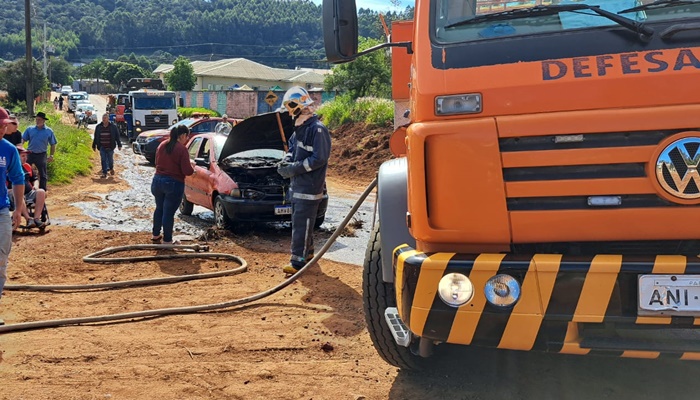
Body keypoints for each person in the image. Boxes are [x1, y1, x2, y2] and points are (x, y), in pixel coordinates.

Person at [276, 86, 331, 275]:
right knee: (300, 221)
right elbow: (292, 150)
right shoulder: (300, 128)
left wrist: (294, 168)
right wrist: (286, 162)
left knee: (302, 224)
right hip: (298, 186)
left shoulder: (317, 130)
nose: (290, 112)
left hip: (310, 187)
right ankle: (307, 254)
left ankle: (297, 261)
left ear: (301, 105)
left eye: (291, 106)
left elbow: (319, 159)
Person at [0, 107, 25, 325]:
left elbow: (18, 178)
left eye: (4, 125)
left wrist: (18, 209)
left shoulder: (8, 150)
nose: (2, 128)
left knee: (1, 260)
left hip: (1, 211)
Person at [150, 125, 195, 245]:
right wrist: (193, 166)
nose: (187, 139)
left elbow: (156, 162)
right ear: (182, 135)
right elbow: (187, 171)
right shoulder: (182, 149)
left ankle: (155, 234)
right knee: (168, 212)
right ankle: (167, 240)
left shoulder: (162, 145)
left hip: (157, 181)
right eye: (187, 136)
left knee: (159, 208)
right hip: (173, 183)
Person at [22, 112, 57, 191]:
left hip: (41, 155)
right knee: (24, 171)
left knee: (42, 174)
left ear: (44, 121)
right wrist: (20, 150)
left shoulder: (49, 131)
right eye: (36, 119)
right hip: (30, 153)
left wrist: (51, 155)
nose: (37, 121)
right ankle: (26, 189)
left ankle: (43, 190)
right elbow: (23, 139)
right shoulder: (30, 129)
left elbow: (53, 144)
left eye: (39, 120)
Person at [14, 145, 47, 228]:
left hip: (29, 192)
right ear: (15, 156)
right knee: (19, 194)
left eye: (26, 156)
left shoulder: (27, 166)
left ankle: (36, 219)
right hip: (14, 194)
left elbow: (35, 178)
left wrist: (36, 186)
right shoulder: (9, 167)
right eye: (23, 156)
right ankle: (28, 219)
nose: (25, 158)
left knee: (41, 191)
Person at [92, 113, 122, 178]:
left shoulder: (113, 127)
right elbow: (96, 137)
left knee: (110, 160)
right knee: (103, 159)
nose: (104, 120)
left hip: (110, 146)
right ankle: (104, 172)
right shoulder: (98, 127)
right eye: (103, 118)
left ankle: (111, 168)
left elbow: (117, 136)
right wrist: (94, 145)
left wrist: (119, 145)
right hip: (102, 146)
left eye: (105, 118)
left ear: (108, 119)